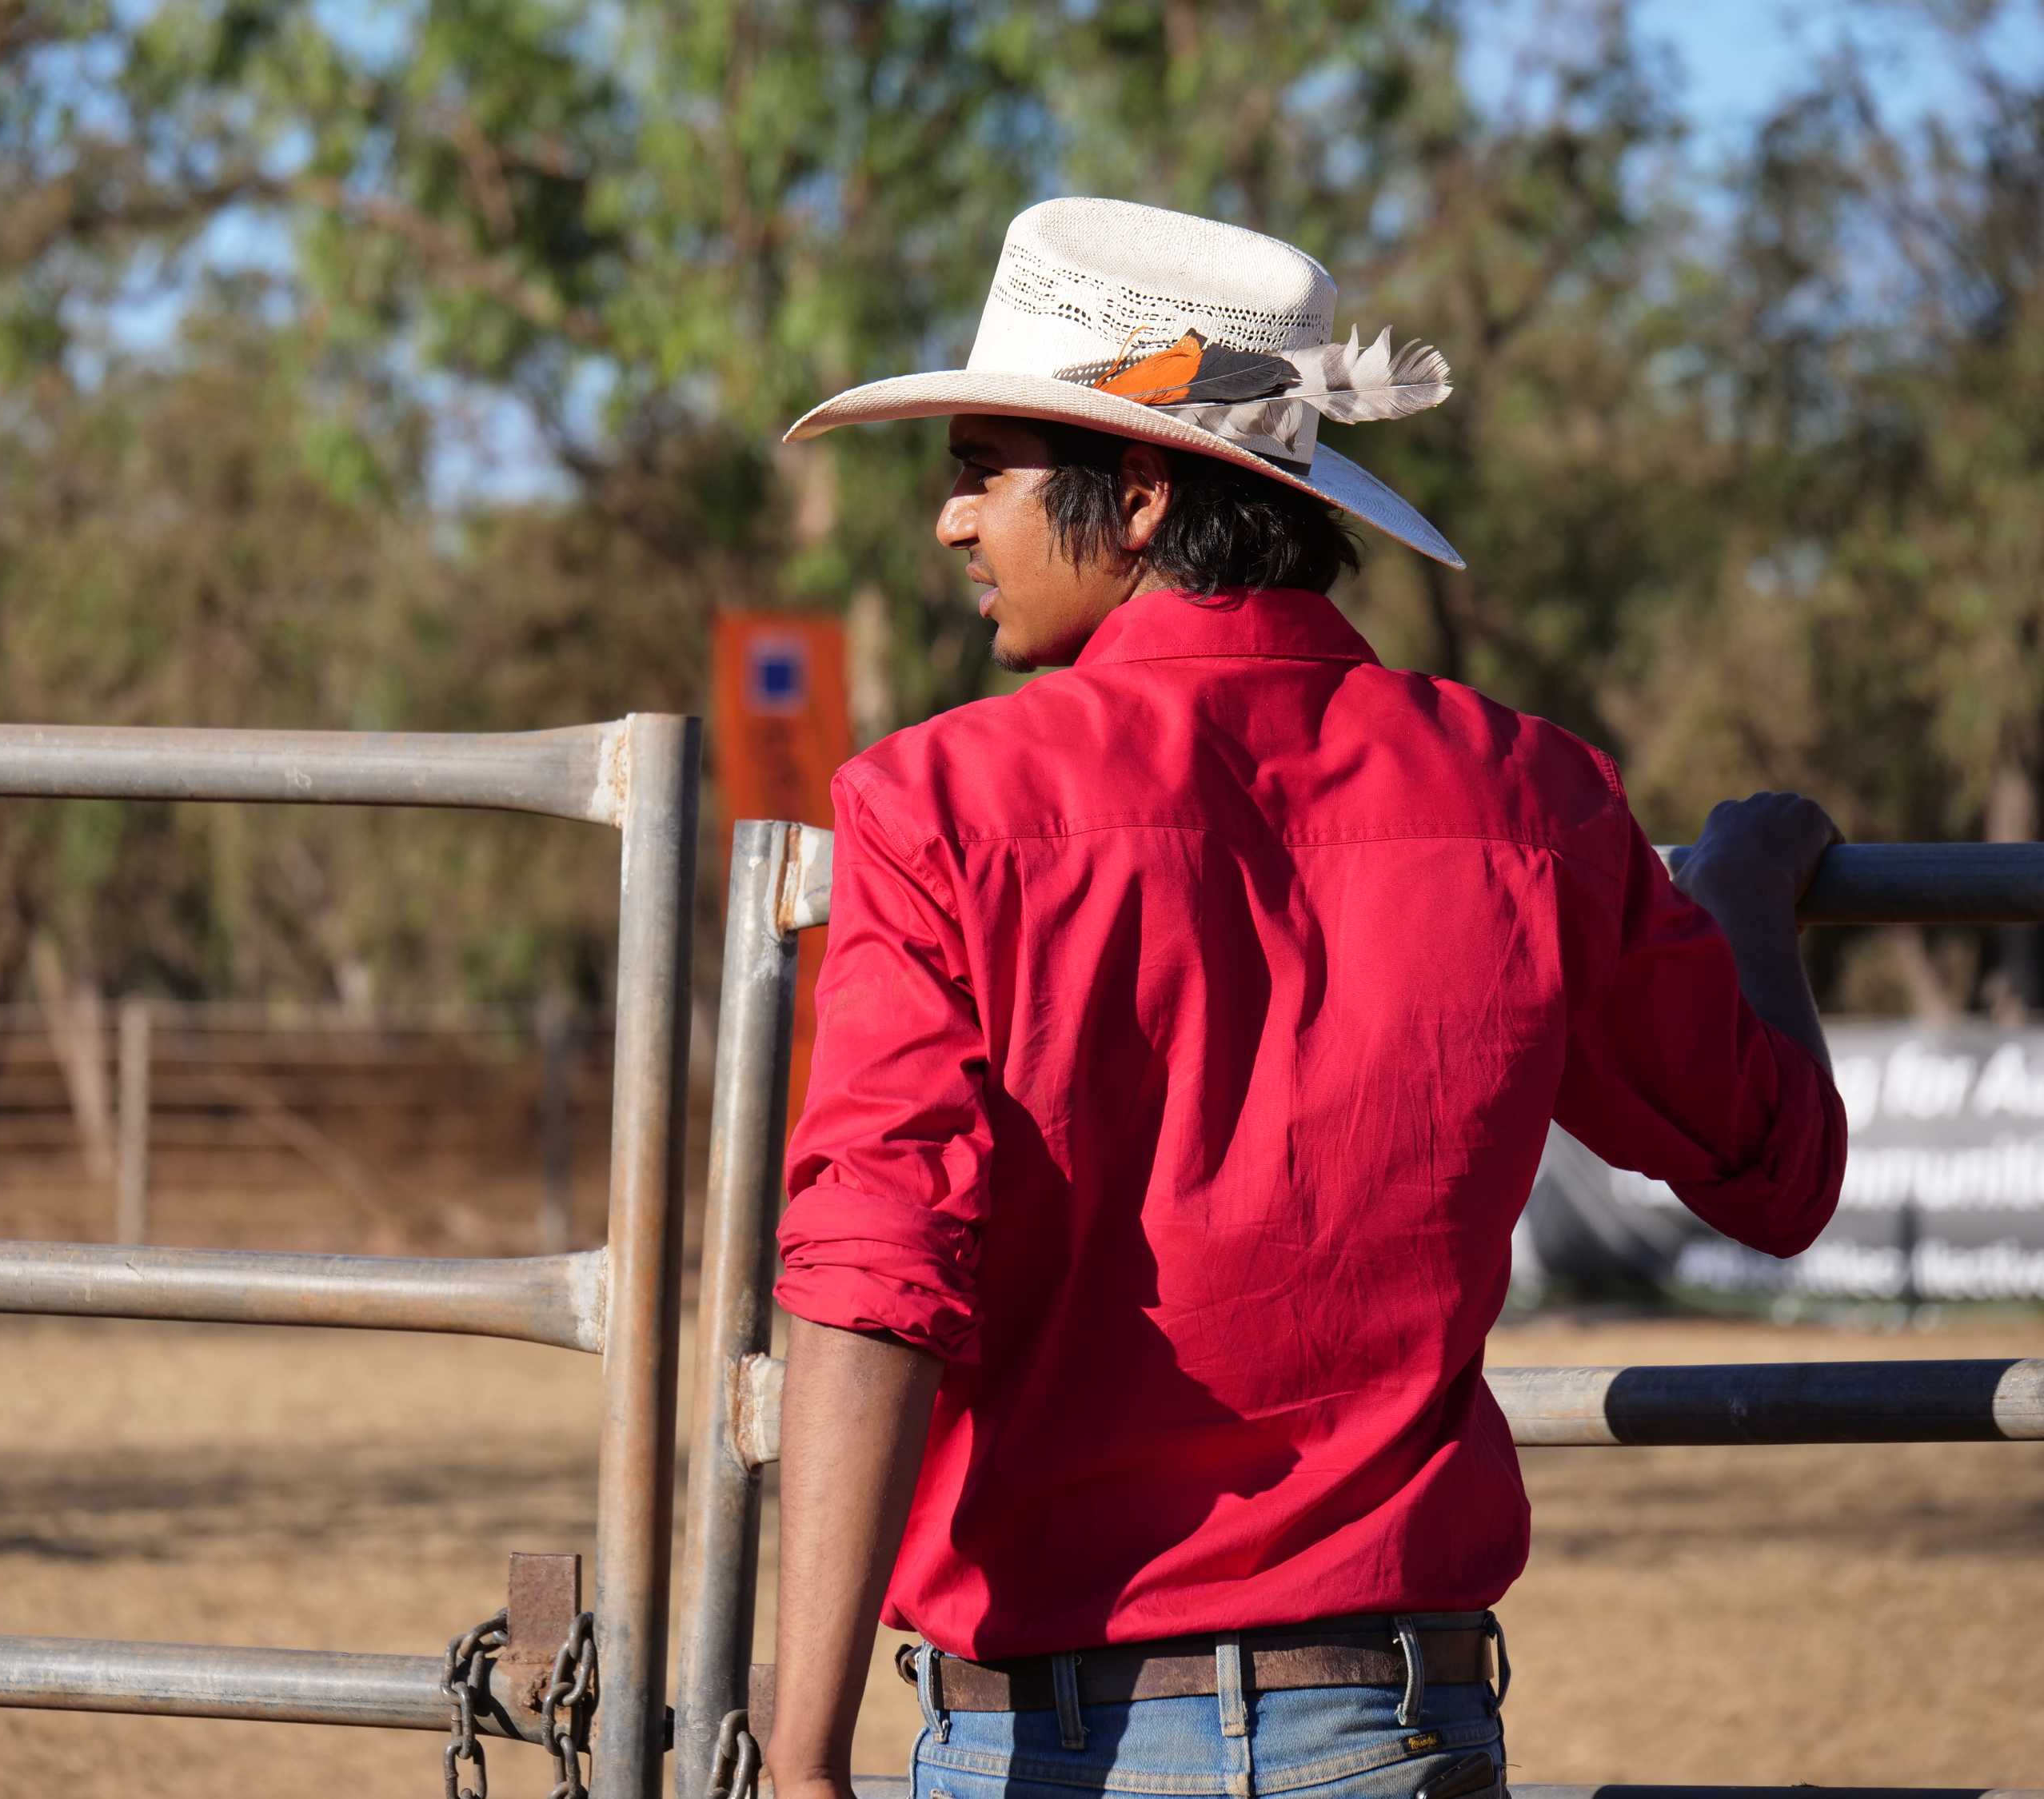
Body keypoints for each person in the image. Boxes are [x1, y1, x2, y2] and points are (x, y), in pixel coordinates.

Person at [762, 199, 1847, 1799]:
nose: (951, 522)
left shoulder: (939, 807)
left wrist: (799, 1756)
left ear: (1134, 497)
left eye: (981, 469)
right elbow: (1778, 1172)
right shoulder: (1534, 798)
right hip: (1385, 1725)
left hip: (1037, 1740)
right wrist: (1745, 898)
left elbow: (871, 1281)